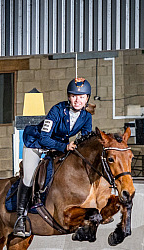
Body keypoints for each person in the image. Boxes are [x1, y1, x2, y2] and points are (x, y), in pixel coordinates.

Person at [14, 77, 93, 237]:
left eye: (82, 97)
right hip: (36, 144)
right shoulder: (57, 110)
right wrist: (65, 146)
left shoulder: (86, 117)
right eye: (74, 96)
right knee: (29, 177)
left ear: (87, 99)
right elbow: (44, 138)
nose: (78, 100)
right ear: (69, 97)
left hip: (58, 147)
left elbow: (85, 141)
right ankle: (20, 219)